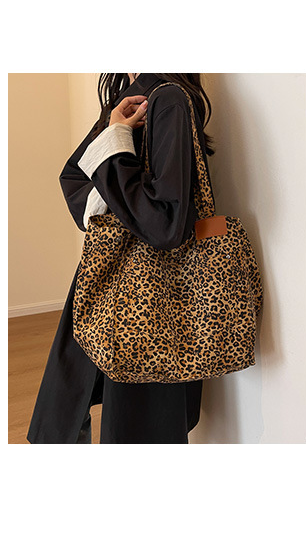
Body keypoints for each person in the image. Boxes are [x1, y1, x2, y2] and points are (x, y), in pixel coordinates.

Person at [27, 73, 213, 444]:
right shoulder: (125, 103)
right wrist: (115, 133)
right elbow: (73, 177)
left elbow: (165, 223)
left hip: (151, 293)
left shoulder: (168, 99)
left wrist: (115, 143)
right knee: (69, 404)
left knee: (136, 426)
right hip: (109, 275)